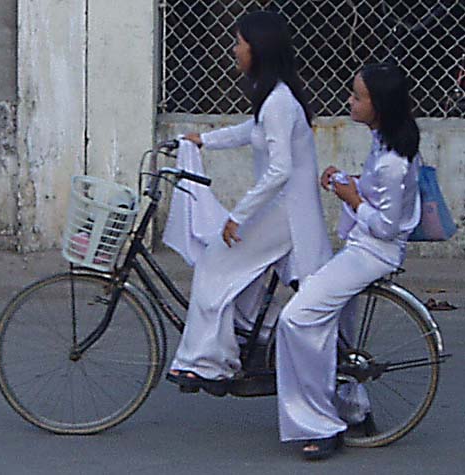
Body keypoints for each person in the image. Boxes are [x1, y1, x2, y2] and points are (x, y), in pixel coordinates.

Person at [166, 11, 332, 394]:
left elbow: (279, 171)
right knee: (244, 279)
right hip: (287, 212)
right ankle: (249, 343)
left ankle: (207, 363)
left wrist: (238, 216)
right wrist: (203, 141)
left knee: (213, 263)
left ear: (257, 49)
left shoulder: (278, 102)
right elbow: (250, 131)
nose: (234, 50)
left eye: (239, 43)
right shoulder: (275, 97)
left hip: (285, 214)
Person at [276, 62, 421, 460]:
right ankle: (353, 407)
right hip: (361, 245)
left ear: (380, 105)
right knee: (336, 327)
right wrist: (349, 180)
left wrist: (352, 198)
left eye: (358, 97)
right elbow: (377, 193)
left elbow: (387, 226)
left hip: (373, 252)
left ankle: (319, 424)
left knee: (297, 319)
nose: (350, 101)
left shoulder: (394, 160)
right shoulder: (385, 142)